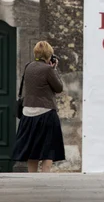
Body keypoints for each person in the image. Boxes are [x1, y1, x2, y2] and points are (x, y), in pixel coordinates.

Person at [12, 41, 65, 172]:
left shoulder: (28, 66)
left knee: (32, 150)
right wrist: (54, 69)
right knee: (48, 150)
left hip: (28, 113)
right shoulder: (48, 69)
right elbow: (59, 88)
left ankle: (32, 177)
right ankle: (44, 177)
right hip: (46, 113)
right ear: (49, 55)